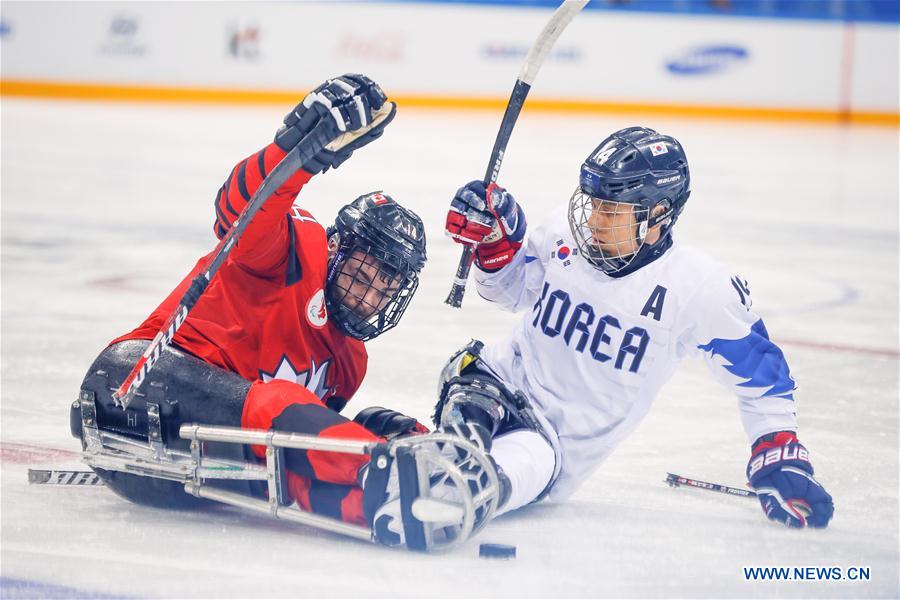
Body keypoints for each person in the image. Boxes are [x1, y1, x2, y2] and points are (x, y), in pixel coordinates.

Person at [71, 74, 433, 533]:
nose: (368, 299)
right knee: (279, 403)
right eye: (361, 277)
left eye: (384, 290)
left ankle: (387, 506)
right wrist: (297, 151)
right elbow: (236, 212)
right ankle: (380, 470)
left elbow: (285, 456)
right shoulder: (293, 250)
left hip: (196, 466)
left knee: (312, 456)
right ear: (335, 248)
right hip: (132, 393)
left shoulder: (349, 363)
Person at [437, 126, 834, 530]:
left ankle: (454, 483)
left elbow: (763, 377)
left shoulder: (697, 289)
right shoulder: (565, 232)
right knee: (455, 438)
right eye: (593, 204)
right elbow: (512, 293)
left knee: (484, 480)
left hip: (549, 443)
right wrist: (495, 245)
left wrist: (777, 453)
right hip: (490, 383)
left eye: (611, 211)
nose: (593, 220)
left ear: (658, 212)